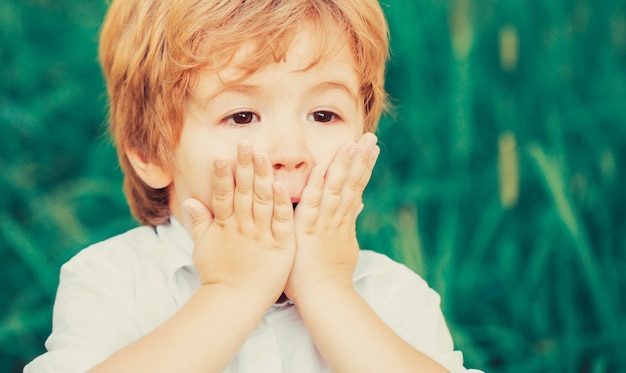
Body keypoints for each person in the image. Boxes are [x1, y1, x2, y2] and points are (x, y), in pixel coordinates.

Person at [26, 0, 483, 372]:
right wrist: (231, 292)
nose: (291, 151)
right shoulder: (114, 281)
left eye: (324, 115)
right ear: (150, 151)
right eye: (241, 115)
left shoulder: (391, 294)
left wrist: (327, 289)